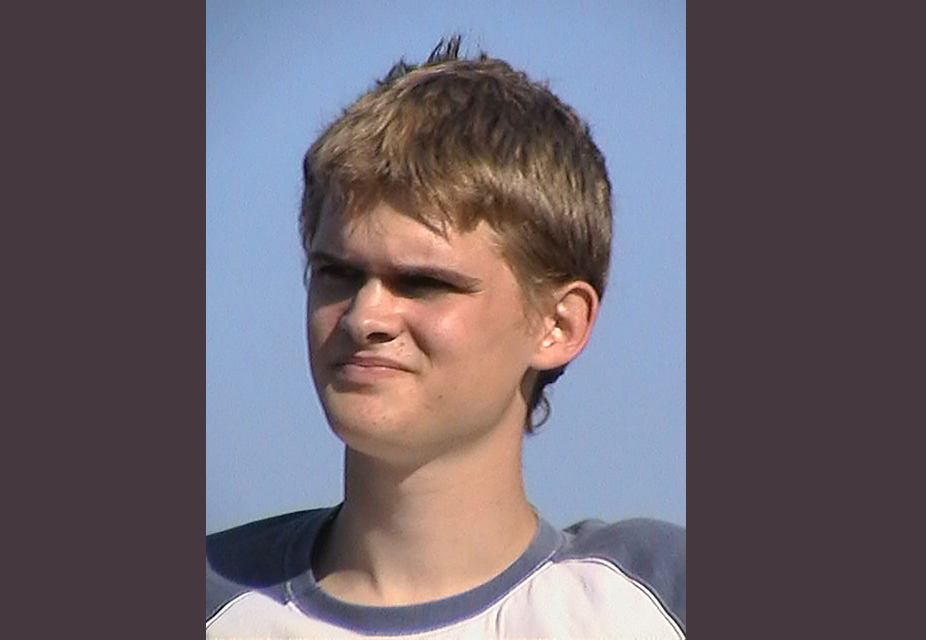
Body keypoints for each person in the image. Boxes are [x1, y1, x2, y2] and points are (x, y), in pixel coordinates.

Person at [206, 36, 685, 638]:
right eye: (337, 274)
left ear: (559, 324)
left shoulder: (655, 601)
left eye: (423, 283)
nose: (364, 317)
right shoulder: (215, 599)